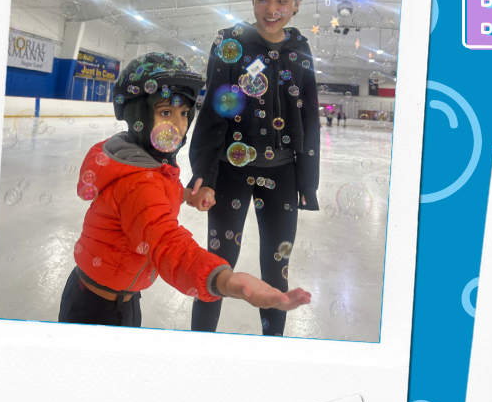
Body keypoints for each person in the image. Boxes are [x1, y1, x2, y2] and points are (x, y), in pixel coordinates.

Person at [58, 52, 310, 329]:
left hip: (101, 293)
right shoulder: (140, 183)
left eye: (184, 113)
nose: (178, 125)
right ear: (137, 114)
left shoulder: (131, 160)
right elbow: (169, 246)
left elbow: (149, 202)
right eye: (165, 112)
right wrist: (224, 279)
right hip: (103, 312)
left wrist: (184, 195)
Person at [188, 0, 321, 337]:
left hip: (282, 175)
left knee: (276, 268)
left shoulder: (299, 48)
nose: (271, 7)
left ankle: (272, 346)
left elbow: (309, 116)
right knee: (217, 264)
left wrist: (306, 182)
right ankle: (201, 344)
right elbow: (214, 111)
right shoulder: (230, 42)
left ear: (295, 5)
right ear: (252, 1)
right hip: (232, 171)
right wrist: (205, 175)